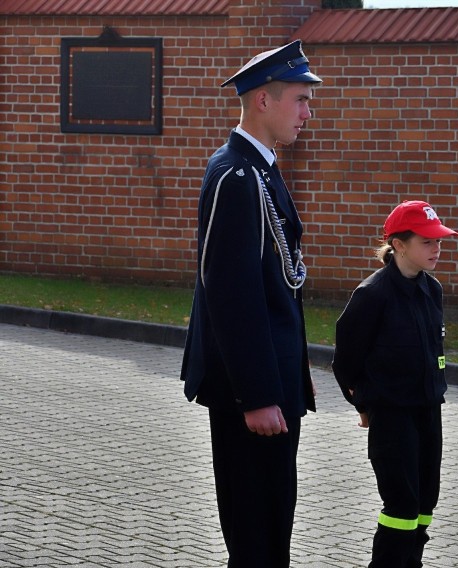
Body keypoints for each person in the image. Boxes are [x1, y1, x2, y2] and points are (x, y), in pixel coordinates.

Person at [179, 39, 321, 567]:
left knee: (272, 524)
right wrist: (258, 396)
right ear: (264, 99)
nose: (308, 112)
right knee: (256, 536)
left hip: (275, 387)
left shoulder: (261, 168)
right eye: (300, 100)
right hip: (254, 396)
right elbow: (231, 293)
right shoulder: (236, 175)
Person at [332, 200, 458, 568]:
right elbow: (347, 359)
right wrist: (364, 406)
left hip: (428, 410)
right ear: (399, 245)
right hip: (392, 415)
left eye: (439, 241)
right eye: (427, 242)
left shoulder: (431, 289)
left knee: (424, 502)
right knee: (400, 505)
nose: (436, 249)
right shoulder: (373, 294)